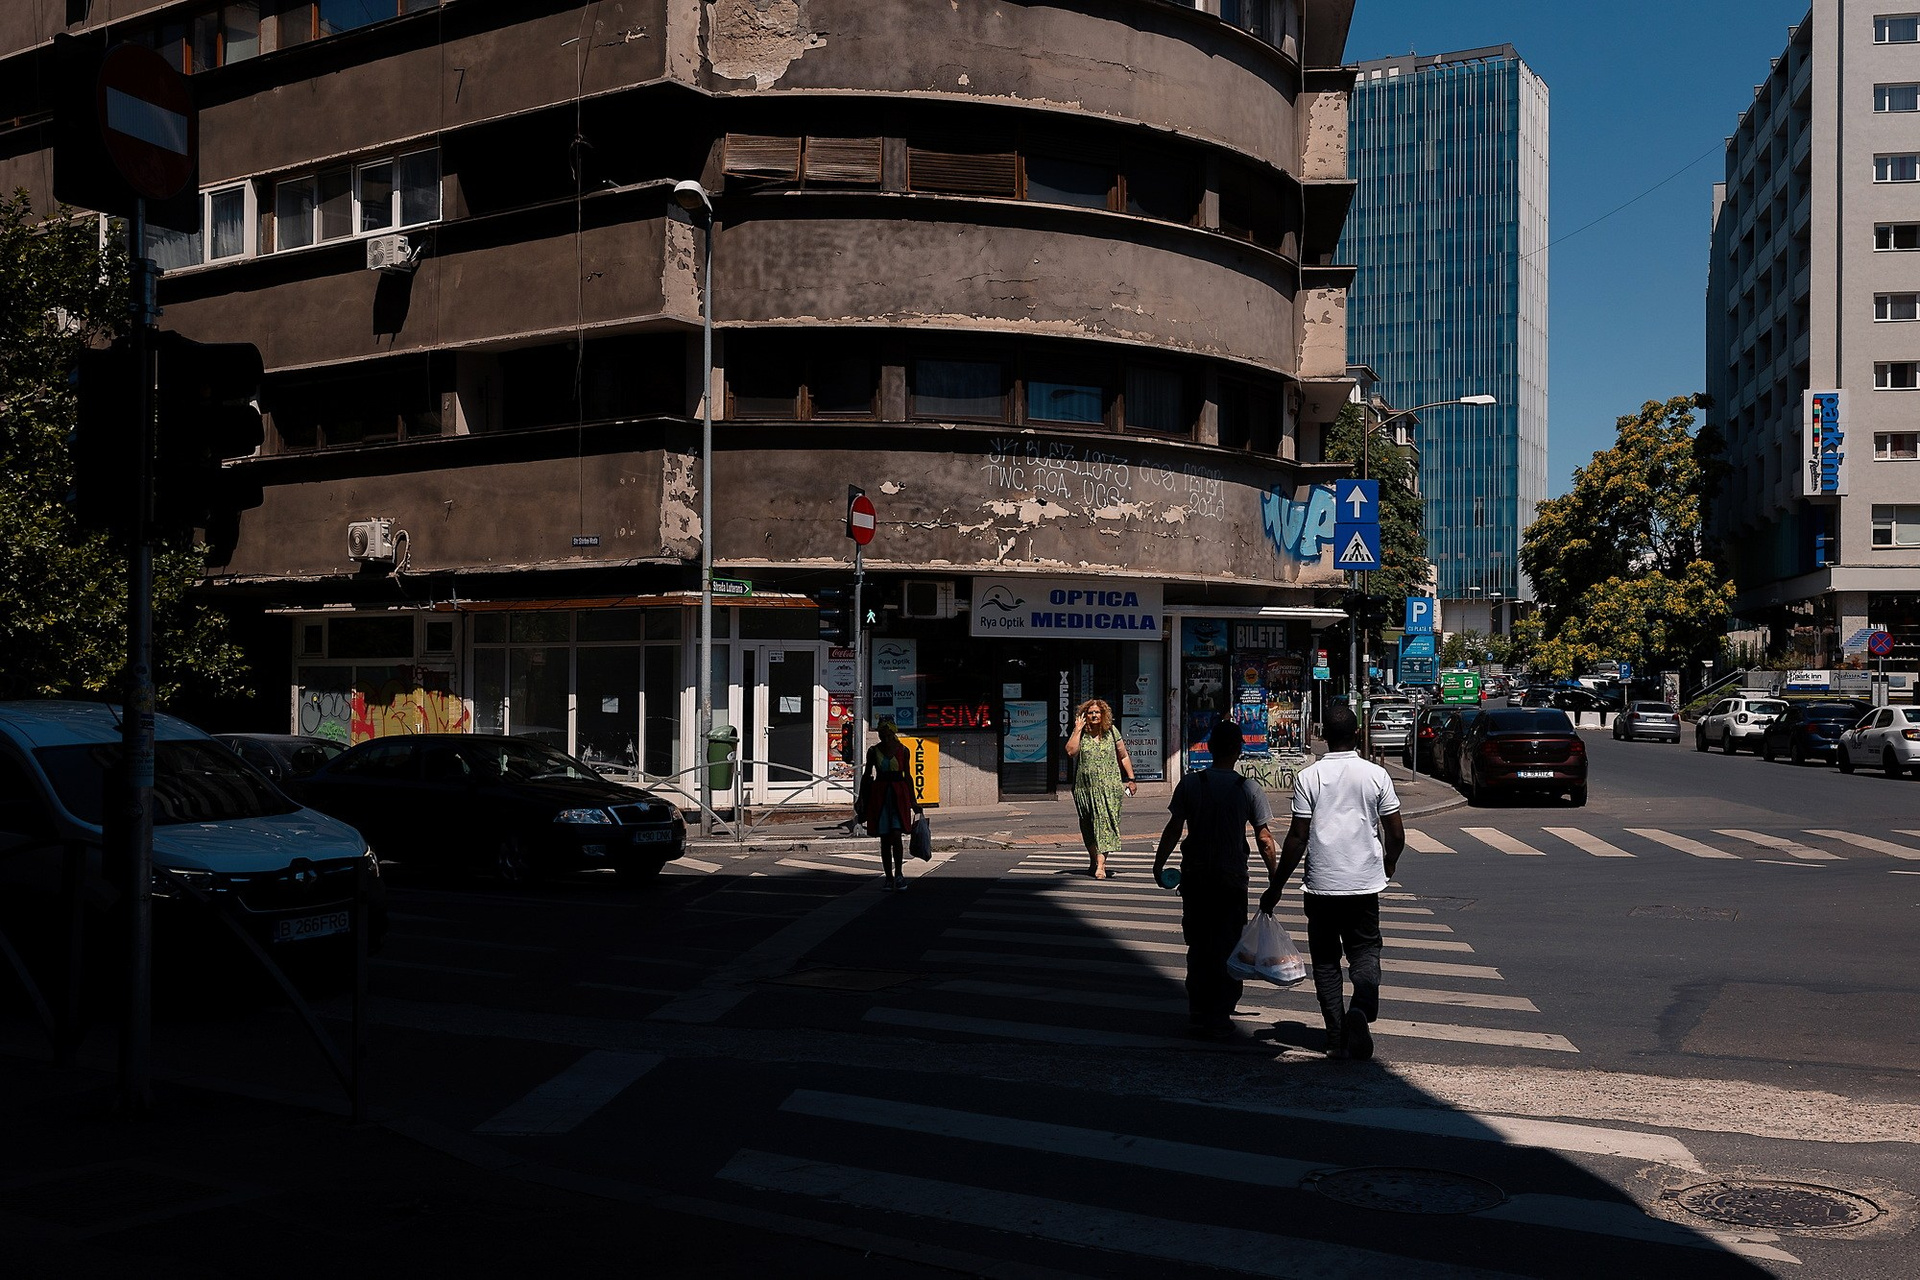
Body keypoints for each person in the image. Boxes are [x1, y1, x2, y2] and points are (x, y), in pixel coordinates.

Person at [1260, 705, 1405, 1060]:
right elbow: (1396, 833)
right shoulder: (1376, 775)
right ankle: (1361, 1008)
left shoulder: (1308, 777)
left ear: (1323, 737)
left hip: (1321, 886)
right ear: (1357, 735)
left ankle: (1336, 1039)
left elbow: (1297, 837)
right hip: (1363, 885)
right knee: (1365, 952)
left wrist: (1276, 886)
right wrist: (1388, 862)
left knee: (1326, 962)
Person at [1152, 720, 1279, 1039]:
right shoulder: (1249, 788)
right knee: (1227, 944)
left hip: (1196, 879)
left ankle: (1198, 1008)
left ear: (1209, 748)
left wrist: (1159, 864)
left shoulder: (1190, 784)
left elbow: (1173, 828)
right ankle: (1220, 1011)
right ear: (1239, 749)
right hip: (1231, 881)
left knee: (1198, 945)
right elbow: (1265, 839)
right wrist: (1275, 878)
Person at [1066, 698, 1135, 878]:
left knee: (1105, 824)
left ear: (1103, 714)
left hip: (1109, 788)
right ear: (1085, 716)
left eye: (1097, 712)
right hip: (1085, 789)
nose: (1094, 715)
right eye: (1090, 713)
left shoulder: (1111, 731)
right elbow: (1070, 752)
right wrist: (1077, 729)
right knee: (1088, 825)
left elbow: (1123, 756)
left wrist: (1131, 779)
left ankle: (1101, 865)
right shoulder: (1081, 733)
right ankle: (1094, 859)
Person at [859, 718, 922, 891]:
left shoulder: (903, 750)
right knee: (885, 838)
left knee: (896, 834)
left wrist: (913, 801)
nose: (885, 739)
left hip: (898, 795)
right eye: (882, 735)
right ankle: (888, 876)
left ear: (893, 733)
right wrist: (861, 799)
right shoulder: (873, 751)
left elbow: (908, 776)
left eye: (888, 735)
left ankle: (899, 874)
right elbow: (867, 775)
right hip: (880, 796)